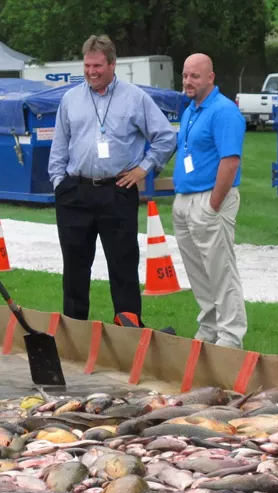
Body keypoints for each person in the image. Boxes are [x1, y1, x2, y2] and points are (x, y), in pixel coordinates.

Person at [48, 34, 176, 327]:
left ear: (112, 65)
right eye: (88, 65)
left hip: (117, 191)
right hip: (75, 192)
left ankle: (128, 328)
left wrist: (143, 169)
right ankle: (75, 330)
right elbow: (59, 145)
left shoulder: (134, 97)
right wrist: (59, 183)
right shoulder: (70, 99)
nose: (92, 72)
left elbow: (165, 136)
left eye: (98, 66)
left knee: (123, 264)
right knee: (75, 266)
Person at [171, 53, 248, 349]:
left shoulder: (224, 111)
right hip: (186, 198)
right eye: (185, 76)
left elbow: (230, 162)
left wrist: (213, 204)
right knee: (198, 270)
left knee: (221, 269)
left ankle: (230, 336)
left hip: (210, 198)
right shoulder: (191, 110)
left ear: (211, 77)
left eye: (195, 76)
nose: (188, 82)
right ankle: (210, 326)